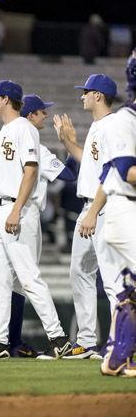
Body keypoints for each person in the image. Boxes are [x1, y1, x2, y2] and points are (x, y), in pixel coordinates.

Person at [0, 80, 71, 359]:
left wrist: (16, 209)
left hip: (16, 210)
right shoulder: (6, 130)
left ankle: (57, 337)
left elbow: (31, 171)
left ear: (6, 99)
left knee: (28, 278)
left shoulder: (25, 129)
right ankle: (0, 342)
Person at [53, 74, 122, 359]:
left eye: (86, 92)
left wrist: (93, 212)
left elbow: (112, 173)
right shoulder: (98, 126)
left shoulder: (113, 126)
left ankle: (122, 342)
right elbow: (92, 166)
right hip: (90, 209)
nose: (82, 96)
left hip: (103, 209)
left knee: (112, 280)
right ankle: (88, 342)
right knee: (80, 273)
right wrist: (69, 143)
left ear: (98, 95)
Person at [89, 97, 136, 377]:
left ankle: (118, 355)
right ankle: (119, 352)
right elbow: (126, 172)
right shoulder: (124, 120)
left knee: (131, 286)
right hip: (124, 207)